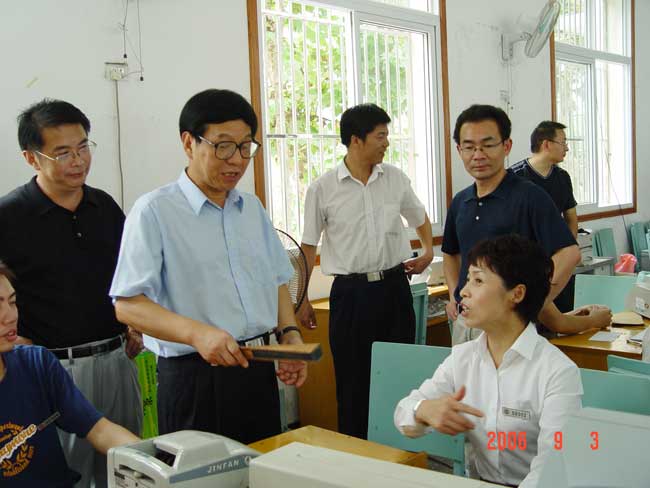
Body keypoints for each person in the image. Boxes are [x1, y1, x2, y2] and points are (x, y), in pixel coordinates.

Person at [110, 88, 307, 445]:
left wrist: (288, 335)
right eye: (223, 146)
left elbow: (277, 279)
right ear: (189, 143)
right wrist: (197, 334)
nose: (237, 160)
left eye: (245, 147)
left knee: (261, 466)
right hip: (194, 378)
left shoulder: (251, 208)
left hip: (258, 370)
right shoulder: (154, 212)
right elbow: (128, 305)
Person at [0, 99, 142, 487]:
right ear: (31, 158)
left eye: (83, 147)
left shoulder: (104, 206)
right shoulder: (10, 216)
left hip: (117, 359)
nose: (78, 161)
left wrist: (135, 323)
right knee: (69, 474)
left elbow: (127, 276)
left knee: (129, 469)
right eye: (62, 153)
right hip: (54, 368)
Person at [394, 235, 583, 488]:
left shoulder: (557, 372)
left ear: (516, 294)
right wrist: (423, 410)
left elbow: (553, 464)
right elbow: (403, 413)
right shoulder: (462, 358)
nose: (463, 291)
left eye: (478, 280)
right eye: (468, 279)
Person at [299, 103, 434, 439]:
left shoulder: (395, 179)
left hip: (394, 289)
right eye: (381, 136)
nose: (386, 142)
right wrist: (301, 298)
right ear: (356, 140)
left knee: (400, 374)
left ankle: (400, 449)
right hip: (351, 296)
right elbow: (308, 246)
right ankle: (357, 452)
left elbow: (419, 217)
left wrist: (428, 251)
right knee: (352, 381)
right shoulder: (322, 188)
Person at [442, 104, 606, 341]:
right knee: (463, 367)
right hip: (466, 321)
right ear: (459, 150)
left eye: (488, 145)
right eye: (469, 147)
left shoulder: (529, 196)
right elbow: (451, 253)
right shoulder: (460, 202)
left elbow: (569, 253)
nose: (478, 155)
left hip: (509, 325)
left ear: (506, 146)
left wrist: (534, 300)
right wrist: (453, 295)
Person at [0, 260, 139, 487]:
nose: (10, 316)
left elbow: (100, 430)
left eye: (13, 302)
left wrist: (152, 461)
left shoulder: (37, 364)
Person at [511, 121, 577, 313]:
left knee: (563, 316)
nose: (566, 148)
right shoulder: (515, 178)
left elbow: (571, 217)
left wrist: (569, 252)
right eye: (563, 142)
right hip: (525, 267)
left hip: (557, 266)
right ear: (546, 144)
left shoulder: (562, 177)